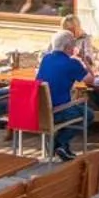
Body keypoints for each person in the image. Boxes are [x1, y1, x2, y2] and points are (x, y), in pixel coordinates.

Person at [35, 31, 88, 161]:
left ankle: (62, 146)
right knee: (88, 113)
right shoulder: (72, 63)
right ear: (66, 47)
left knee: (70, 104)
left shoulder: (45, 59)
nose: (74, 48)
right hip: (57, 112)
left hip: (39, 112)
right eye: (73, 45)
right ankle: (59, 143)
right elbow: (90, 80)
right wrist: (84, 61)